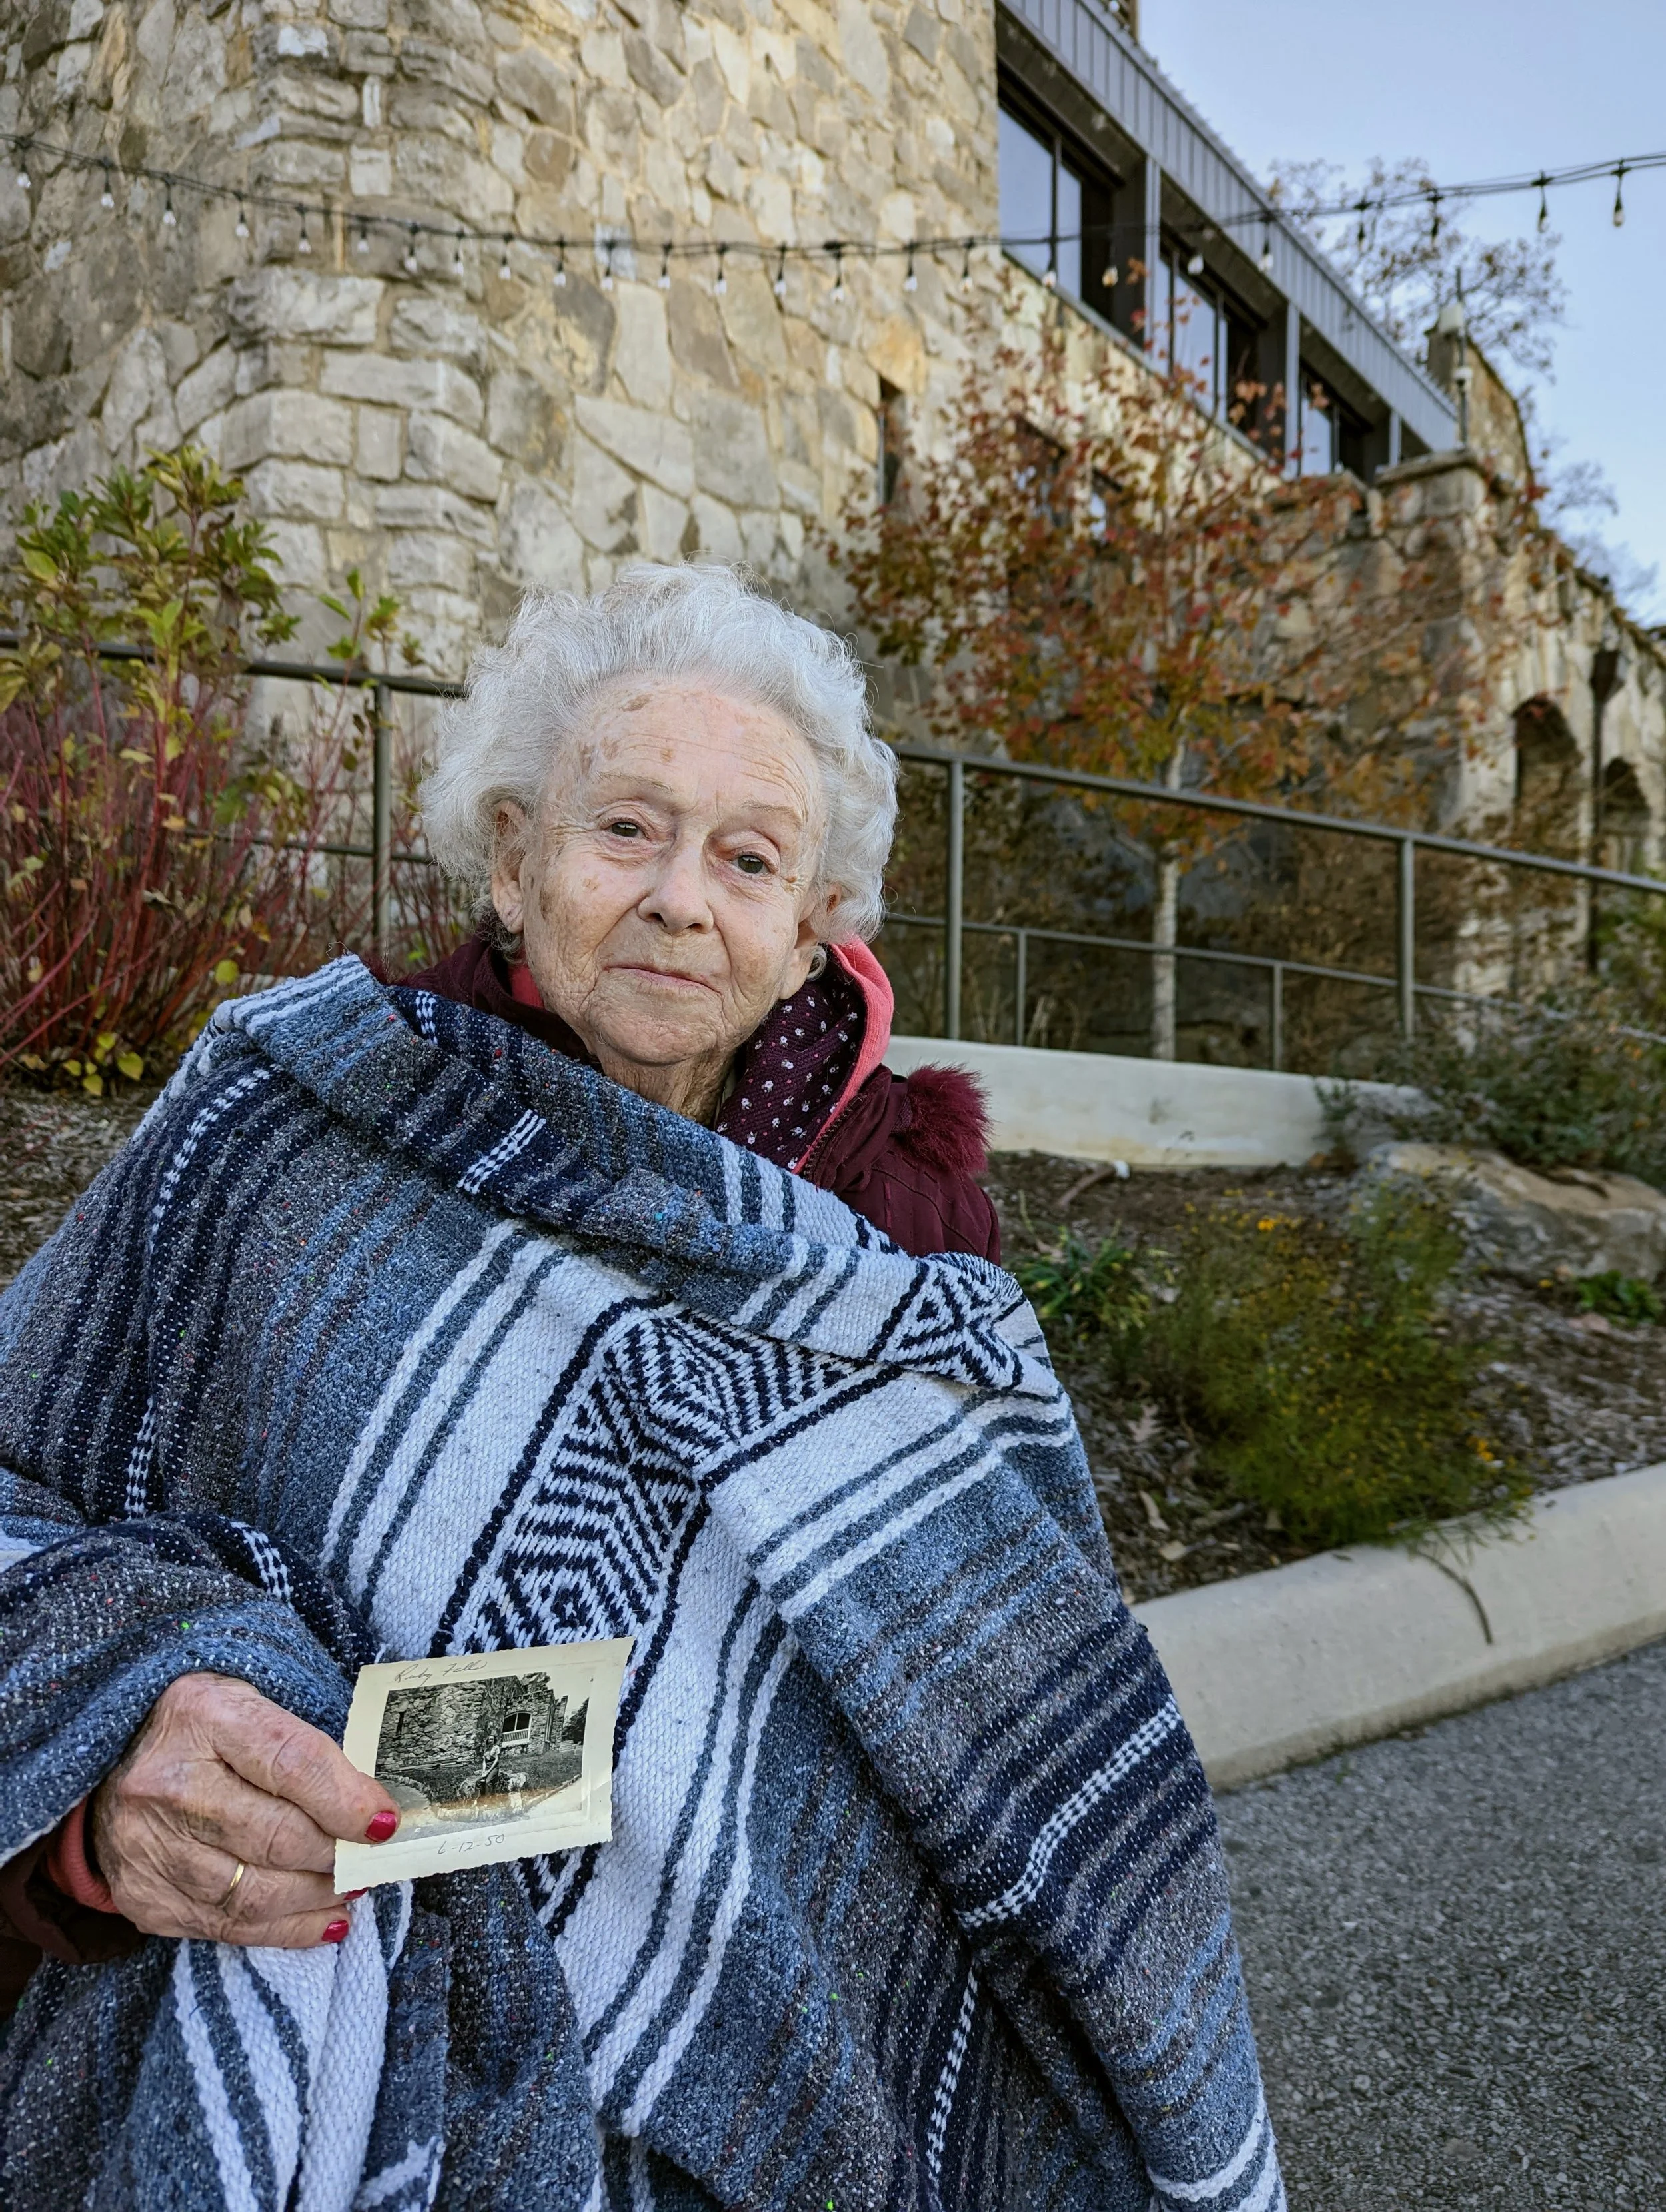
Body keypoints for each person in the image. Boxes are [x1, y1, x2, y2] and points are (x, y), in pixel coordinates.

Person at [0, 566, 1282, 2211]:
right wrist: (100, 1787)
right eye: (626, 830)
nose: (683, 896)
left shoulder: (901, 1238)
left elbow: (1013, 1728)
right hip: (299, 1999)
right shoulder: (276, 1136)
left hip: (790, 2085)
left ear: (814, 926)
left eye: (747, 858)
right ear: (515, 855)